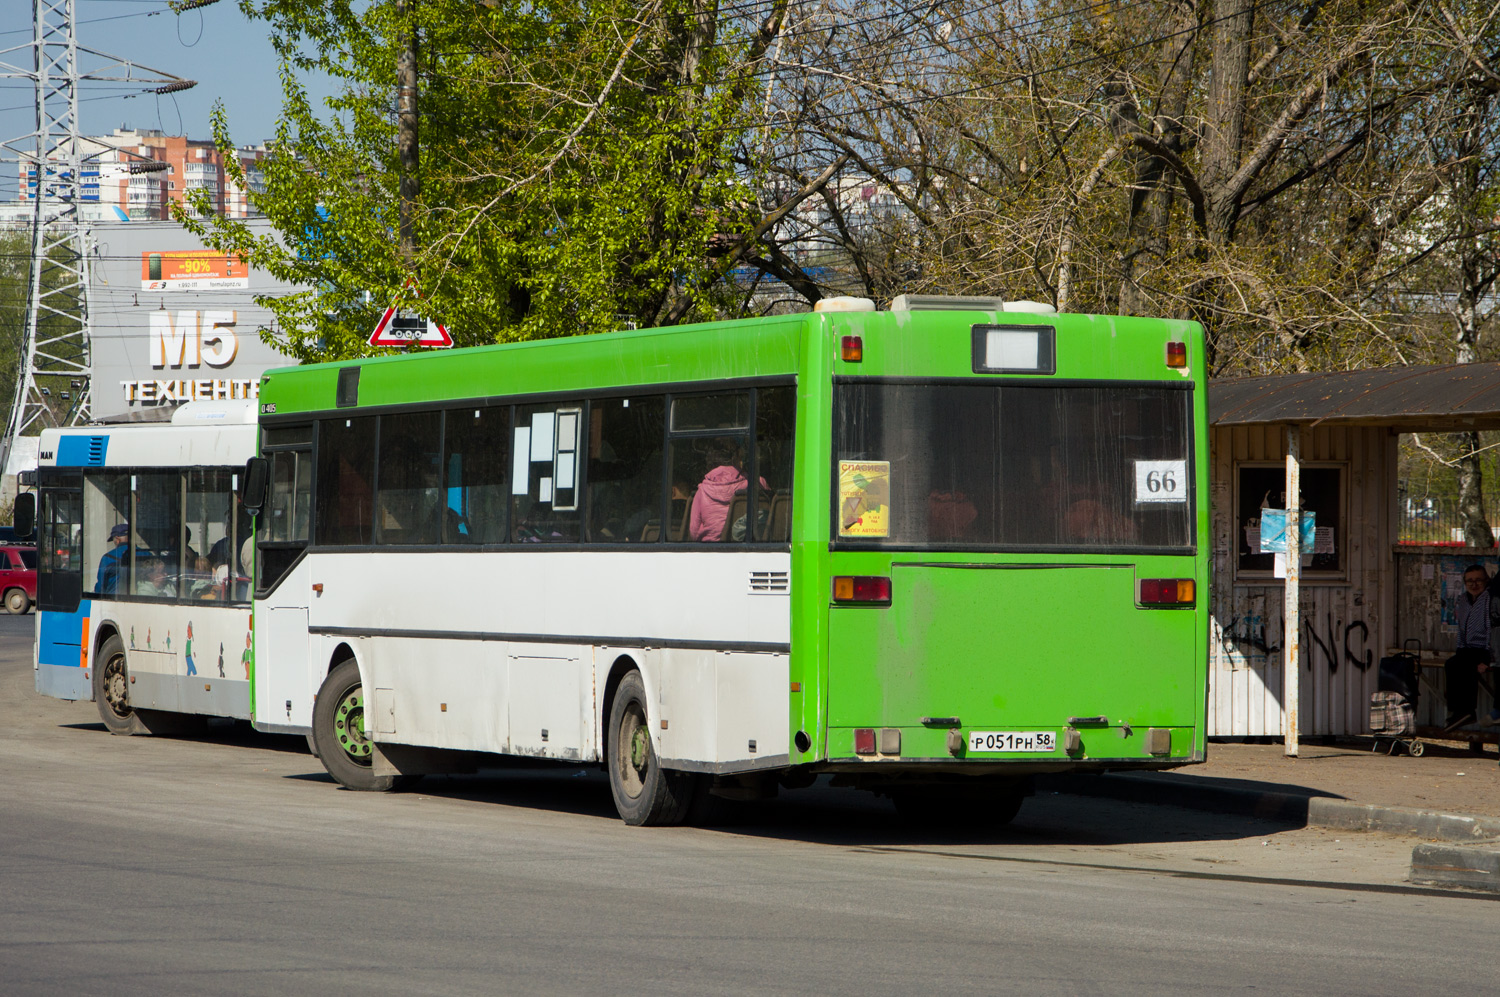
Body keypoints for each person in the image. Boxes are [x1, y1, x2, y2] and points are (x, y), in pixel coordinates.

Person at [1443, 564, 1500, 743]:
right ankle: (1456, 711)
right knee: (1451, 664)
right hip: (1466, 647)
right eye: (1470, 581)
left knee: (1466, 666)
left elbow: (1491, 629)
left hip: (1483, 648)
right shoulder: (1463, 600)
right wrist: (1459, 648)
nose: (1474, 585)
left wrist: (1487, 659)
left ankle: (1468, 711)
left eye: (1478, 580)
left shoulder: (1489, 599)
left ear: (1486, 581)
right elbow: (1461, 629)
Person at [689, 441, 764, 542]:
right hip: (748, 546)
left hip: (709, 550)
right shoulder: (758, 483)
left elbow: (694, 532)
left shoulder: (702, 491)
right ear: (736, 459)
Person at [96, 523, 131, 594]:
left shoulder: (108, 557)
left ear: (117, 539)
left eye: (113, 540)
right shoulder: (146, 554)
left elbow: (101, 587)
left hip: (114, 600)